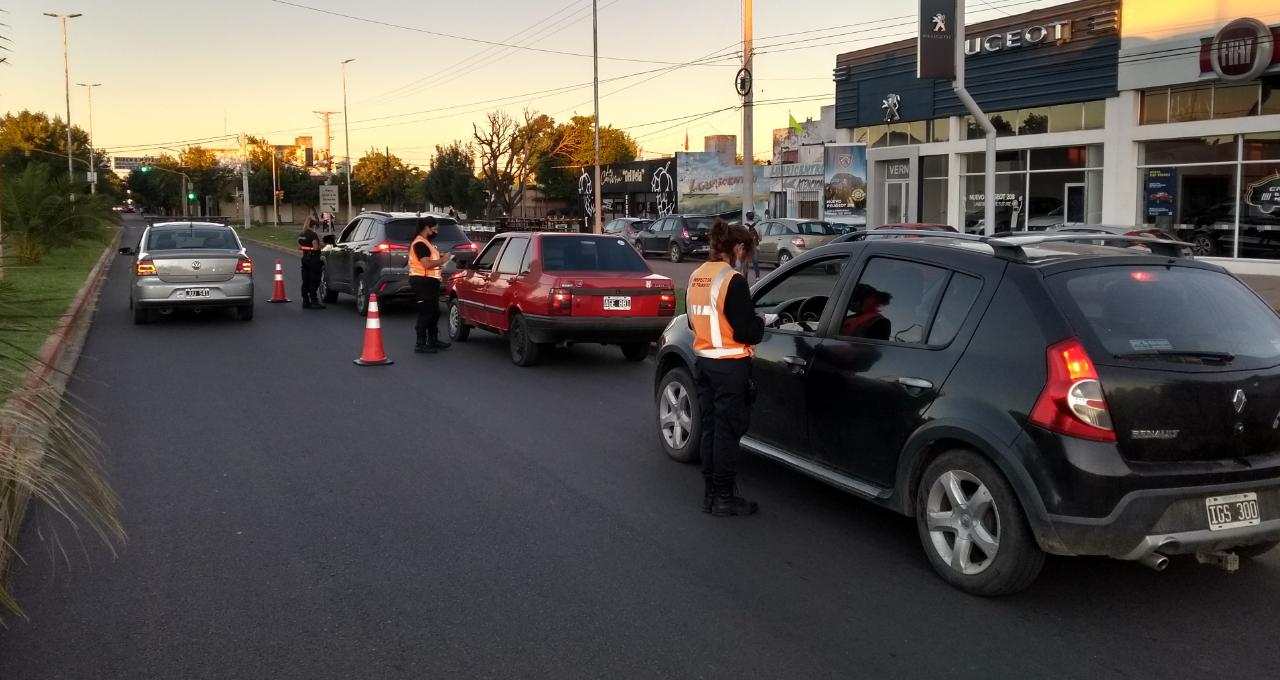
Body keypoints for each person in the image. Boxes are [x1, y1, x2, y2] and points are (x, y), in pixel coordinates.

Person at [688, 219, 766, 516]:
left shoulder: (697, 276)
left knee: (709, 428)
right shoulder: (732, 280)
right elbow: (747, 331)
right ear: (739, 247)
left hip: (704, 362)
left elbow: (695, 321)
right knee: (727, 433)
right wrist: (761, 321)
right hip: (731, 367)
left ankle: (711, 492)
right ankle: (724, 497)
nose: (746, 258)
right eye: (747, 253)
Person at [408, 216, 452, 354]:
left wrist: (440, 259)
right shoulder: (420, 243)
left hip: (430, 281)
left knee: (434, 312)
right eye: (435, 228)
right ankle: (420, 343)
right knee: (426, 312)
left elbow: (430, 260)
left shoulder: (426, 243)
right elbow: (426, 264)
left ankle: (433, 340)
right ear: (427, 227)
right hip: (422, 281)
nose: (436, 231)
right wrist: (442, 260)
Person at [297, 217, 325, 309]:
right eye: (316, 227)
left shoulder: (302, 234)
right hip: (314, 260)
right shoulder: (313, 235)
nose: (316, 229)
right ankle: (314, 301)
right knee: (314, 280)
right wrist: (324, 245)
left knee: (305, 280)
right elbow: (316, 247)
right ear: (313, 225)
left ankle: (305, 301)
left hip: (305, 259)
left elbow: (299, 247)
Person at [742, 211, 762, 281]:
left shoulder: (744, 226)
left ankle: (745, 278)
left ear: (747, 217)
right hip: (754, 247)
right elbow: (760, 238)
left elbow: (742, 238)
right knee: (755, 262)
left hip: (746, 247)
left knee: (745, 263)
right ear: (753, 217)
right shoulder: (758, 226)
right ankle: (757, 277)